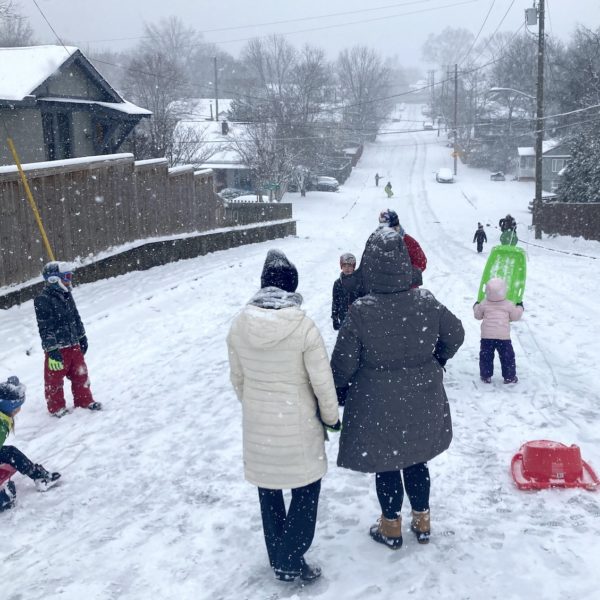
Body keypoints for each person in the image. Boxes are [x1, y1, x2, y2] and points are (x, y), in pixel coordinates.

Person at [331, 228, 464, 550]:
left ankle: (391, 526)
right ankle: (422, 520)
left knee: (387, 462)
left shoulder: (362, 310)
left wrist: (338, 388)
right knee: (417, 459)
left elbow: (342, 364)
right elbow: (456, 334)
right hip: (421, 395)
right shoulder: (426, 302)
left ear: (369, 266)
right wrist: (436, 358)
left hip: (376, 401)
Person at [226, 249, 340, 583]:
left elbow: (238, 379)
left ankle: (280, 556)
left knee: (269, 492)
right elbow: (322, 381)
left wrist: (255, 408)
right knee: (306, 490)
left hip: (259, 428)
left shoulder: (239, 325)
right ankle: (290, 557)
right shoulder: (303, 327)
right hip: (299, 426)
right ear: (292, 287)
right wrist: (331, 418)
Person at [34, 262, 102, 418]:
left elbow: (75, 317)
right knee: (54, 381)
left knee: (81, 374)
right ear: (53, 279)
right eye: (66, 277)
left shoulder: (67, 294)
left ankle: (84, 401)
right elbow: (45, 328)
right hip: (58, 349)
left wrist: (81, 336)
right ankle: (56, 407)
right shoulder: (42, 299)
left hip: (74, 344)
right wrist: (51, 350)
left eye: (70, 276)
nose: (69, 280)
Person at [0, 376, 61, 512]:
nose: (19, 410)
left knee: (11, 453)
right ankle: (3, 500)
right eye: (17, 407)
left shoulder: (3, 418)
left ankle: (39, 477)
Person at [474, 278, 524, 384]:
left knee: (486, 356)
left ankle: (486, 375)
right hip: (503, 337)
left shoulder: (484, 303)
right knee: (507, 357)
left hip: (487, 337)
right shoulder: (509, 304)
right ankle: (509, 376)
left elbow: (478, 316)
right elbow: (515, 317)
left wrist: (476, 306)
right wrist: (520, 307)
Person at [331, 253, 361, 331]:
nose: (347, 268)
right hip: (343, 317)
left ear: (353, 267)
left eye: (349, 266)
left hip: (358, 317)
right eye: (344, 266)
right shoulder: (338, 283)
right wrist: (334, 318)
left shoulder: (359, 282)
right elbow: (335, 301)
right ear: (341, 267)